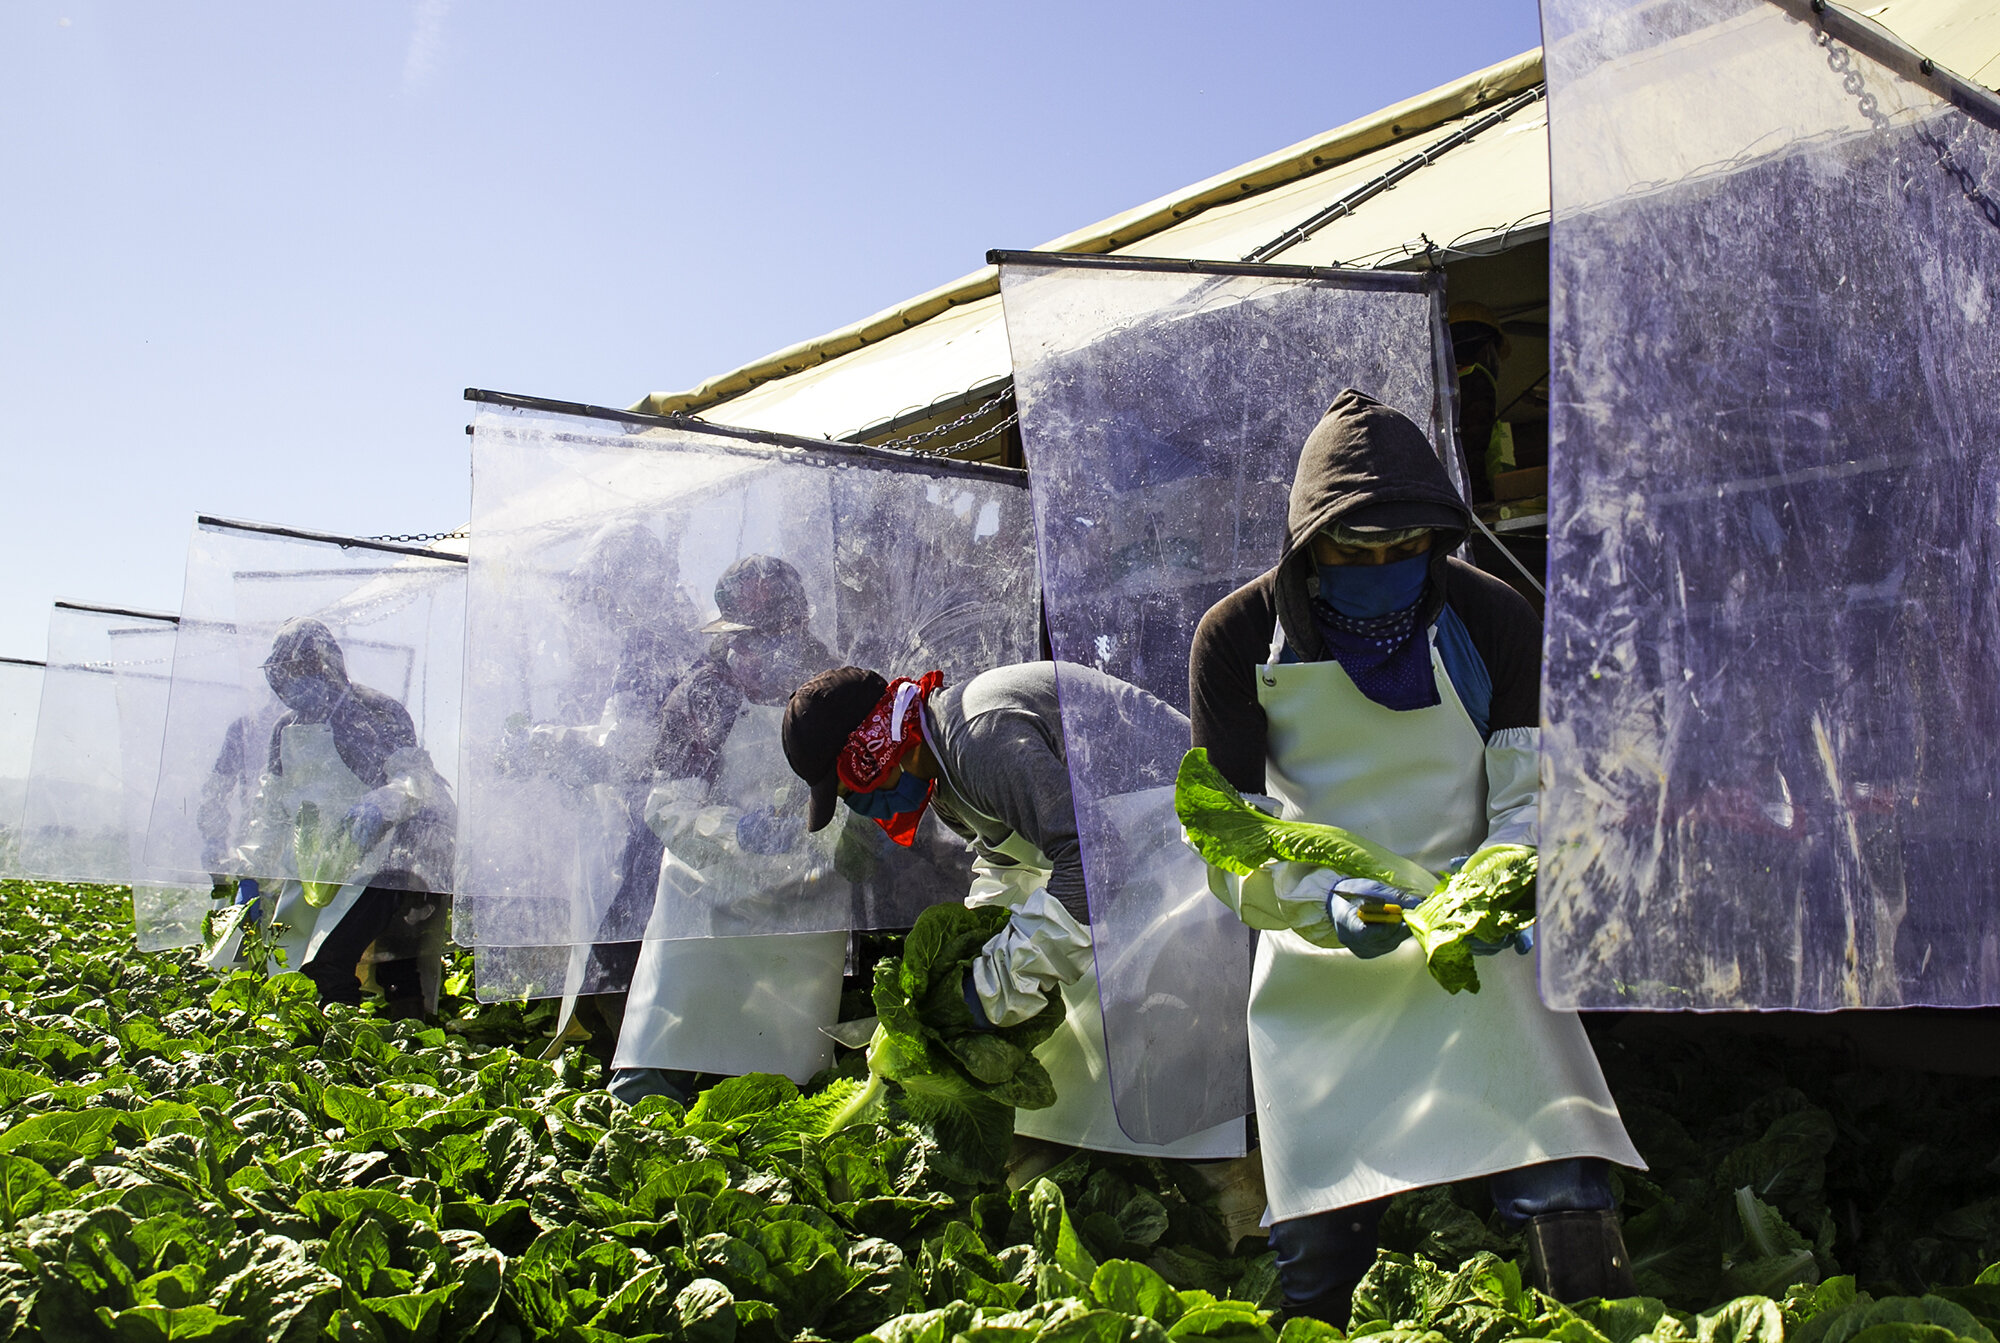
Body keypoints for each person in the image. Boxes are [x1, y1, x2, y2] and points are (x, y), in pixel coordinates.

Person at [1187, 389, 1644, 1321]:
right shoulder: (1236, 639)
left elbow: (1532, 797)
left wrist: (1502, 881)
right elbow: (1229, 843)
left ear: (1440, 537)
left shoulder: (1490, 615)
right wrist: (1322, 900)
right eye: (1355, 552)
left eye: (1407, 549)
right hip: (1326, 951)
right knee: (1321, 1215)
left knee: (1557, 1165)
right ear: (1306, 546)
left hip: (1476, 939)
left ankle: (1593, 1319)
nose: (1385, 569)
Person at [781, 660, 1244, 1159]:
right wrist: (969, 958)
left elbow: (1094, 862)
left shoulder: (979, 741)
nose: (858, 808)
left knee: (1186, 1057)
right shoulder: (943, 774)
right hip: (1139, 860)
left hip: (1188, 845)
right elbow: (1010, 867)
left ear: (875, 753)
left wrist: (994, 985)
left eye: (850, 791)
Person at [605, 554, 847, 1106]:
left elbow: (860, 790)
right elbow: (666, 804)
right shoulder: (705, 692)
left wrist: (826, 836)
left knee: (785, 1059)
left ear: (797, 627)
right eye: (741, 637)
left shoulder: (833, 688)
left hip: (802, 897)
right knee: (667, 1037)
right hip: (703, 888)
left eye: (765, 636)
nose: (750, 652)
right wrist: (736, 831)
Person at [231, 617, 456, 1017]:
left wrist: (381, 803)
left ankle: (364, 1037)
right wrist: (253, 870)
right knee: (286, 966)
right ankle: (336, 1036)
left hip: (382, 860)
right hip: (315, 866)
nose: (290, 683)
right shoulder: (286, 728)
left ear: (324, 665)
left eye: (298, 670)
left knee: (335, 960)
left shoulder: (376, 711)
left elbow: (416, 780)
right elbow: (273, 809)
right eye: (283, 673)